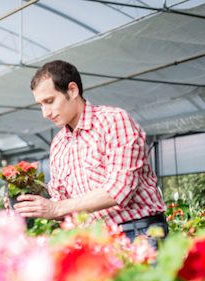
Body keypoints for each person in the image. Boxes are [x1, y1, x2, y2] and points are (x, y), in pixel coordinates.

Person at [14, 60, 167, 245]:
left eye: (49, 101)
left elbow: (119, 190)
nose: (45, 113)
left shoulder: (113, 121)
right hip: (95, 241)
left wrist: (56, 208)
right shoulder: (59, 144)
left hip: (137, 233)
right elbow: (61, 205)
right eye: (40, 104)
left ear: (72, 90)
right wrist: (33, 201)